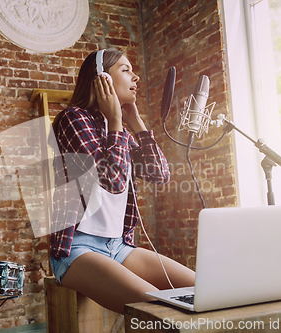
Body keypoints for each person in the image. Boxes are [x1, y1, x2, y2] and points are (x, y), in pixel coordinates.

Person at [48, 48, 195, 314]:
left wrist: (136, 122)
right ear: (102, 79)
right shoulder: (73, 119)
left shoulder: (120, 130)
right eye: (126, 70)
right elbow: (111, 180)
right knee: (159, 308)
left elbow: (159, 173)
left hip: (118, 245)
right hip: (78, 247)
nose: (135, 77)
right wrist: (116, 120)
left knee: (202, 289)